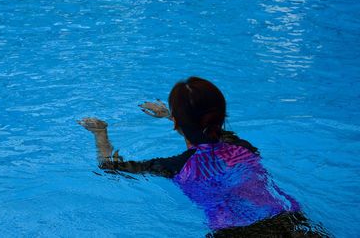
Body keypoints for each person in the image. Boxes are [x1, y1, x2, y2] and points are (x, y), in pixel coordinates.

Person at [78, 77, 329, 238]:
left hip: (236, 234)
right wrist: (172, 115)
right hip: (293, 223)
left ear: (177, 122)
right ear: (220, 115)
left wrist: (100, 132)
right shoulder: (244, 147)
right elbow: (210, 136)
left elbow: (108, 167)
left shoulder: (174, 167)